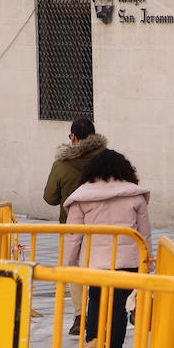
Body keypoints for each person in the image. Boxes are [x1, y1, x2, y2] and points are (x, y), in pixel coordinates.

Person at [62, 149, 151, 348]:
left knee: (95, 300)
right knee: (119, 307)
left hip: (94, 261)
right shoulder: (135, 195)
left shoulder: (82, 196)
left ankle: (92, 341)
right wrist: (147, 263)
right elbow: (144, 234)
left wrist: (67, 265)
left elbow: (73, 235)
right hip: (127, 260)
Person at [43, 117, 107, 334]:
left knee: (74, 270)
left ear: (73, 137)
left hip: (70, 226)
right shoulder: (108, 160)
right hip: (103, 226)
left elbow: (50, 197)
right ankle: (101, 314)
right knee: (99, 268)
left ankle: (80, 315)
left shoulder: (62, 164)